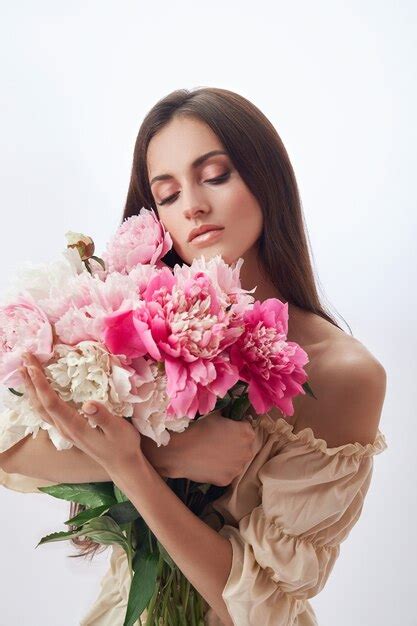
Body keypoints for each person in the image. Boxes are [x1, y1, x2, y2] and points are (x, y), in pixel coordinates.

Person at [0, 87, 388, 626]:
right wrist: (169, 453)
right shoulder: (134, 329)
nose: (194, 206)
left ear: (267, 180)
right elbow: (11, 453)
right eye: (168, 193)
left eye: (216, 175)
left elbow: (259, 604)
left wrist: (130, 466)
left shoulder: (343, 372)